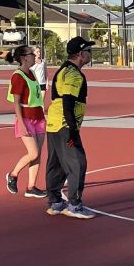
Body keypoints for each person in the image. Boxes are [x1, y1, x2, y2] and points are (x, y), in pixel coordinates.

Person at [45, 36, 96, 219]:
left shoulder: (63, 70)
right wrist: (72, 129)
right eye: (88, 51)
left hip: (54, 123)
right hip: (64, 125)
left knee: (57, 163)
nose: (90, 54)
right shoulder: (73, 74)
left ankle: (55, 202)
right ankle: (74, 205)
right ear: (81, 54)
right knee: (78, 163)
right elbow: (68, 101)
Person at [5, 44, 47, 198]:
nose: (34, 56)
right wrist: (21, 123)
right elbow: (16, 102)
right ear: (24, 58)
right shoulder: (18, 76)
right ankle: (13, 175)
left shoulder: (32, 73)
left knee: (38, 154)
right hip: (26, 118)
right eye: (31, 54)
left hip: (38, 117)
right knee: (33, 152)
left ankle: (31, 187)